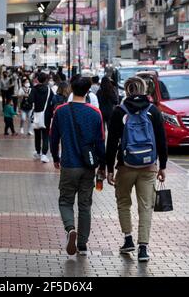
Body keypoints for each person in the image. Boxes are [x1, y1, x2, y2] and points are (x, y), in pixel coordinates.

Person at [106, 76, 168, 263]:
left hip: (125, 165)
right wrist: (162, 166)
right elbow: (161, 140)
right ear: (144, 89)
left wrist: (109, 168)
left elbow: (111, 142)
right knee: (146, 206)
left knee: (124, 202)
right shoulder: (153, 111)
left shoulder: (119, 111)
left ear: (126, 90)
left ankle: (128, 239)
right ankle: (143, 248)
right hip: (149, 166)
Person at [50, 76, 105, 256]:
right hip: (88, 166)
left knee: (65, 201)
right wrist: (102, 166)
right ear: (88, 90)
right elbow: (100, 142)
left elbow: (53, 137)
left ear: (72, 89)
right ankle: (82, 244)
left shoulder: (61, 111)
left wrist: (55, 157)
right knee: (85, 205)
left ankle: (70, 229)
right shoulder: (95, 113)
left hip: (68, 164)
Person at [29, 72, 54, 163]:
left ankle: (38, 151)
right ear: (45, 80)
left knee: (37, 134)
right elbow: (53, 100)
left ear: (38, 79)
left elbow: (30, 100)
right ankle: (44, 154)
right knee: (46, 135)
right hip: (46, 115)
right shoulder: (49, 89)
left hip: (37, 114)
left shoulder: (34, 89)